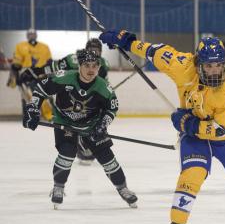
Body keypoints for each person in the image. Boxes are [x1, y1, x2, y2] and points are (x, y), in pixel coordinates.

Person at [99, 30, 225, 224]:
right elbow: (154, 51)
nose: (215, 71)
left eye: (219, 66)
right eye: (209, 66)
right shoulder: (181, 65)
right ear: (198, 64)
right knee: (192, 176)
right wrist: (127, 42)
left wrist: (186, 124)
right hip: (194, 137)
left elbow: (221, 130)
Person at [22, 49, 138, 209]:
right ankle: (58, 187)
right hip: (65, 122)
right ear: (79, 66)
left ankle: (123, 188)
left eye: (94, 66)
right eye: (87, 65)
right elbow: (41, 89)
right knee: (67, 153)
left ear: (99, 67)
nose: (91, 69)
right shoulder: (63, 78)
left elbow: (111, 109)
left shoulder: (104, 88)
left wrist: (102, 124)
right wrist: (33, 108)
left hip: (92, 125)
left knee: (108, 158)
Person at [7, 28, 53, 121]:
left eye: (33, 34)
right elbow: (17, 62)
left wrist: (50, 73)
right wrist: (16, 74)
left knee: (45, 95)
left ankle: (49, 115)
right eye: (30, 34)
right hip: (27, 75)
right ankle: (27, 116)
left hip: (41, 74)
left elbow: (49, 61)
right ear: (27, 35)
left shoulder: (44, 47)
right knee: (27, 96)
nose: (31, 36)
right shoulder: (20, 46)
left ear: (36, 35)